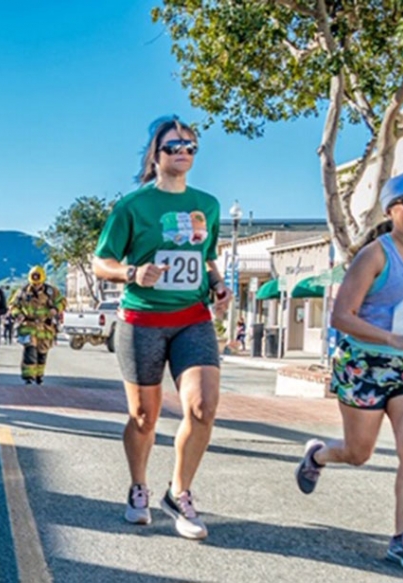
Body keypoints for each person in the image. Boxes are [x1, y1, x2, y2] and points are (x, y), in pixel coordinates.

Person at [294, 171, 403, 572]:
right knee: (358, 453)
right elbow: (341, 316)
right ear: (392, 209)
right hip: (365, 363)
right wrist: (392, 338)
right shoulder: (376, 255)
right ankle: (319, 454)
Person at [93, 115, 232, 540]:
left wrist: (219, 283)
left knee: (203, 407)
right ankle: (139, 486)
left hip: (192, 318)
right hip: (142, 320)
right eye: (174, 146)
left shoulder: (207, 205)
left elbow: (207, 257)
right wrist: (133, 273)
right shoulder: (132, 206)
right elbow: (103, 261)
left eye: (190, 145)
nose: (184, 152)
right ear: (156, 154)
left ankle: (179, 492)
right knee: (143, 416)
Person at [8, 266, 66, 385]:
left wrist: (56, 309)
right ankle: (28, 377)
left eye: (38, 283)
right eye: (34, 283)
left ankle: (39, 376)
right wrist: (17, 314)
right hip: (28, 326)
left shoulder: (51, 292)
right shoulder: (22, 292)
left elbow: (62, 301)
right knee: (30, 351)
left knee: (42, 353)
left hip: (45, 328)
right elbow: (12, 305)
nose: (36, 286)